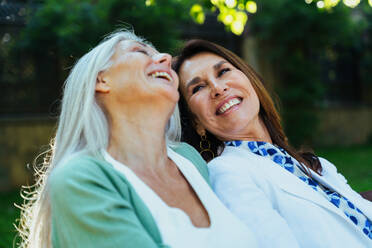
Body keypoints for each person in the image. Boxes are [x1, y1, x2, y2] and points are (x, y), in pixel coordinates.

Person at [17, 32, 259, 248]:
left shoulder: (189, 160)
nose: (165, 58)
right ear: (102, 80)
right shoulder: (81, 179)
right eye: (140, 52)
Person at [172, 39, 372, 248]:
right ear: (197, 123)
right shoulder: (227, 172)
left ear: (249, 81)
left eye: (222, 72)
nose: (218, 88)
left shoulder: (315, 166)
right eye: (198, 88)